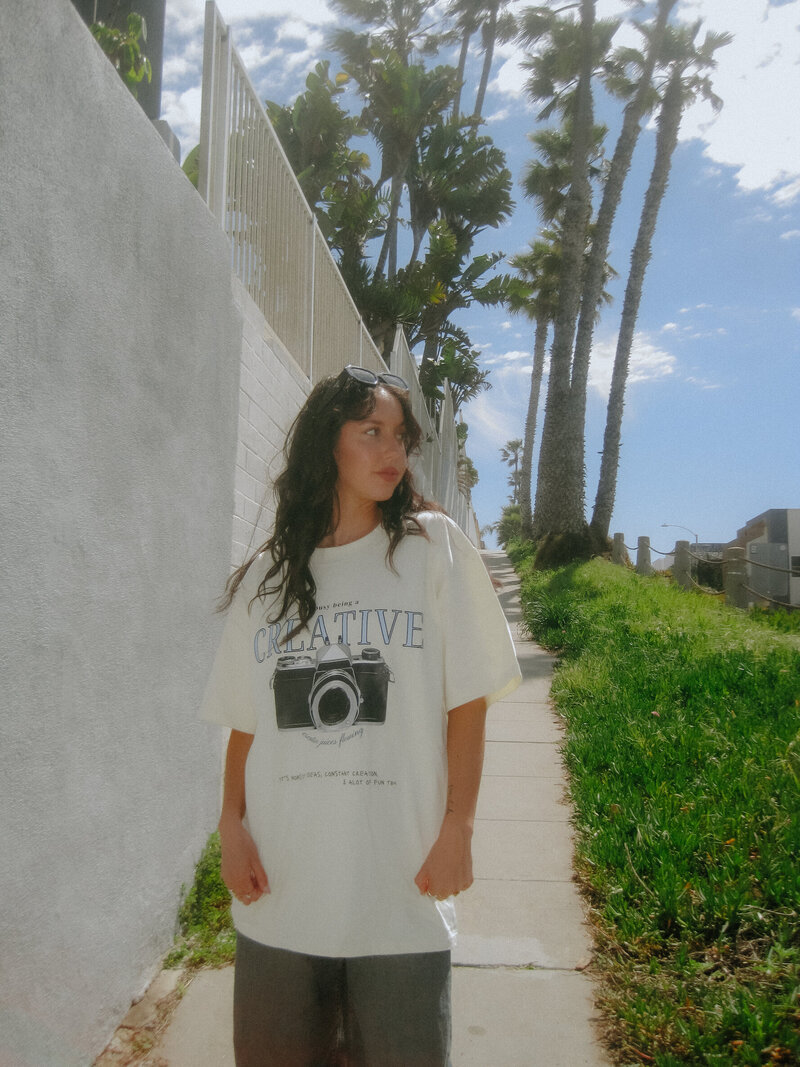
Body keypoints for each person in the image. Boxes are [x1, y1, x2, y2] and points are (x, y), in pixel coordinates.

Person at [201, 365, 521, 1066]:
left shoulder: (430, 549)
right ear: (327, 445)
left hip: (401, 895)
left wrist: (459, 827)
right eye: (370, 431)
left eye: (399, 436)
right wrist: (230, 822)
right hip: (280, 895)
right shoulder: (267, 579)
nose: (391, 452)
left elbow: (466, 698)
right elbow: (249, 723)